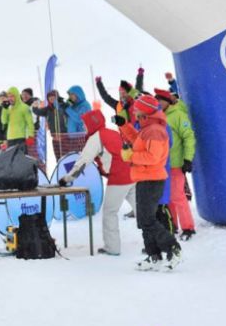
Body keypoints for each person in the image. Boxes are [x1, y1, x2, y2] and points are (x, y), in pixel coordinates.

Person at [59, 110, 136, 255]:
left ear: (91, 123)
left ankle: (112, 248)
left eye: (84, 124)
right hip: (132, 174)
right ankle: (156, 242)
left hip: (118, 178)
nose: (83, 127)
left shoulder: (96, 138)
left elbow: (83, 162)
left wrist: (67, 178)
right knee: (143, 213)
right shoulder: (112, 132)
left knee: (109, 213)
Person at [119, 94, 181, 270]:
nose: (135, 112)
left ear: (145, 111)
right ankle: (153, 256)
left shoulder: (155, 130)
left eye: (137, 110)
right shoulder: (148, 128)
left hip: (152, 179)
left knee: (147, 220)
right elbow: (137, 141)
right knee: (144, 221)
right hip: (144, 178)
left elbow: (152, 157)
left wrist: (131, 156)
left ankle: (173, 248)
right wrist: (123, 125)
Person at [155, 88, 196, 241]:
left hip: (176, 164)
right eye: (156, 100)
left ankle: (188, 227)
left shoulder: (178, 115)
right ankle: (173, 226)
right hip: (162, 165)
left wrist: (187, 159)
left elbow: (189, 137)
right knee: (168, 197)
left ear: (167, 101)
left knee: (178, 196)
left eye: (161, 100)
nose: (158, 102)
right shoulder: (158, 117)